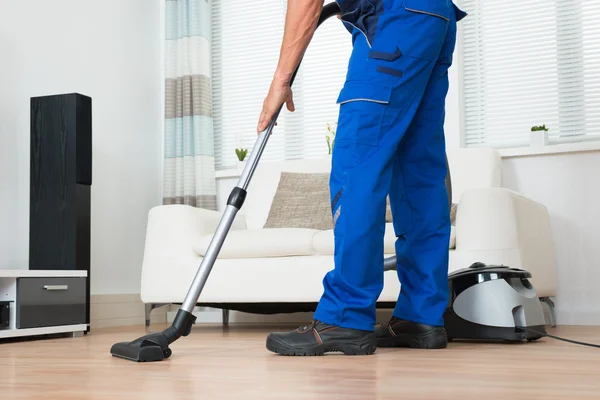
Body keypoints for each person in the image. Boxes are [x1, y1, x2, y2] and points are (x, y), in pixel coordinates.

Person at [257, 0, 467, 356]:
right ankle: (421, 316)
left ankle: (345, 317)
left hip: (397, 23)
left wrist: (281, 79)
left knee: (358, 167)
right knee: (417, 169)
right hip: (435, 17)